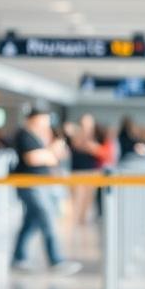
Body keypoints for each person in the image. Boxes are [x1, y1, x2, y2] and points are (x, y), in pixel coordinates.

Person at [11, 110, 81, 275]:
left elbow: (56, 157)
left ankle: (18, 257)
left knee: (31, 223)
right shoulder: (24, 135)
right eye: (43, 120)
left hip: (40, 184)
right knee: (47, 218)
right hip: (30, 185)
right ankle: (55, 259)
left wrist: (50, 153)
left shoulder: (39, 137)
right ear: (33, 119)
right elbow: (33, 158)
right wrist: (50, 153)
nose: (45, 124)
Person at [66, 114, 101, 225]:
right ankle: (75, 221)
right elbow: (77, 146)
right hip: (77, 171)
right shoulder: (75, 135)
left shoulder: (97, 135)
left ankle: (82, 220)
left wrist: (91, 147)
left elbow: (99, 150)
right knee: (76, 199)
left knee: (88, 200)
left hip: (92, 171)